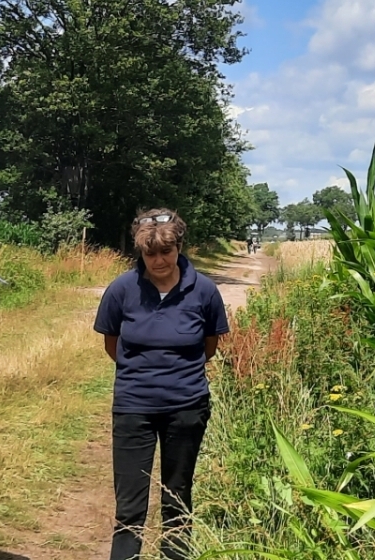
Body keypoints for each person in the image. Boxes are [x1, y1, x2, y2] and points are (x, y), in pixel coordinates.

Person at [93, 209, 228, 560]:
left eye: (165, 252)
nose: (158, 260)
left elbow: (209, 345)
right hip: (133, 409)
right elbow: (113, 344)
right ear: (141, 252)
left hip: (187, 407)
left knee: (178, 497)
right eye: (149, 253)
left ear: (179, 247)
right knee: (130, 505)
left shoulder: (205, 291)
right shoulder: (122, 289)